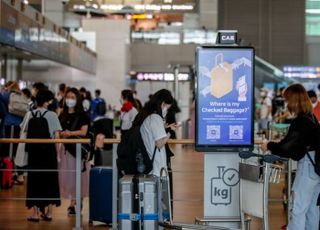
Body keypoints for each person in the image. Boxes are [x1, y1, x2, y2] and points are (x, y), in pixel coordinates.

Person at [261, 84, 320, 230]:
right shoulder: (311, 118)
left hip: (307, 167)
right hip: (317, 167)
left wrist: (268, 145)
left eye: (288, 100)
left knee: (298, 208)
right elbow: (295, 144)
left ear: (294, 101)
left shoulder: (300, 121)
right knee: (312, 209)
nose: (287, 104)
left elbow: (288, 149)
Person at [22, 89, 61, 222]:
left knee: (34, 181)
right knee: (50, 180)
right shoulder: (52, 115)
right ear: (46, 102)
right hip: (48, 152)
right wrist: (58, 155)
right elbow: (56, 136)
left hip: (34, 153)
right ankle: (49, 213)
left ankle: (35, 214)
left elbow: (23, 130)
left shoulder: (29, 114)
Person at [58, 87, 90, 216]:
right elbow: (58, 130)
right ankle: (73, 200)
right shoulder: (62, 114)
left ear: (77, 99)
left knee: (78, 176)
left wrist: (69, 133)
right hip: (65, 150)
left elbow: (84, 132)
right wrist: (61, 134)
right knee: (68, 176)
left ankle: (75, 201)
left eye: (72, 97)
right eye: (68, 97)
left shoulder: (82, 115)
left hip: (77, 150)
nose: (69, 100)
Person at [133, 89, 174, 176]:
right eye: (167, 108)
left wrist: (163, 128)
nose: (166, 111)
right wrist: (170, 133)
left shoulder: (148, 116)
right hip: (156, 167)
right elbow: (159, 144)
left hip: (150, 163)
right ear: (162, 104)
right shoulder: (155, 118)